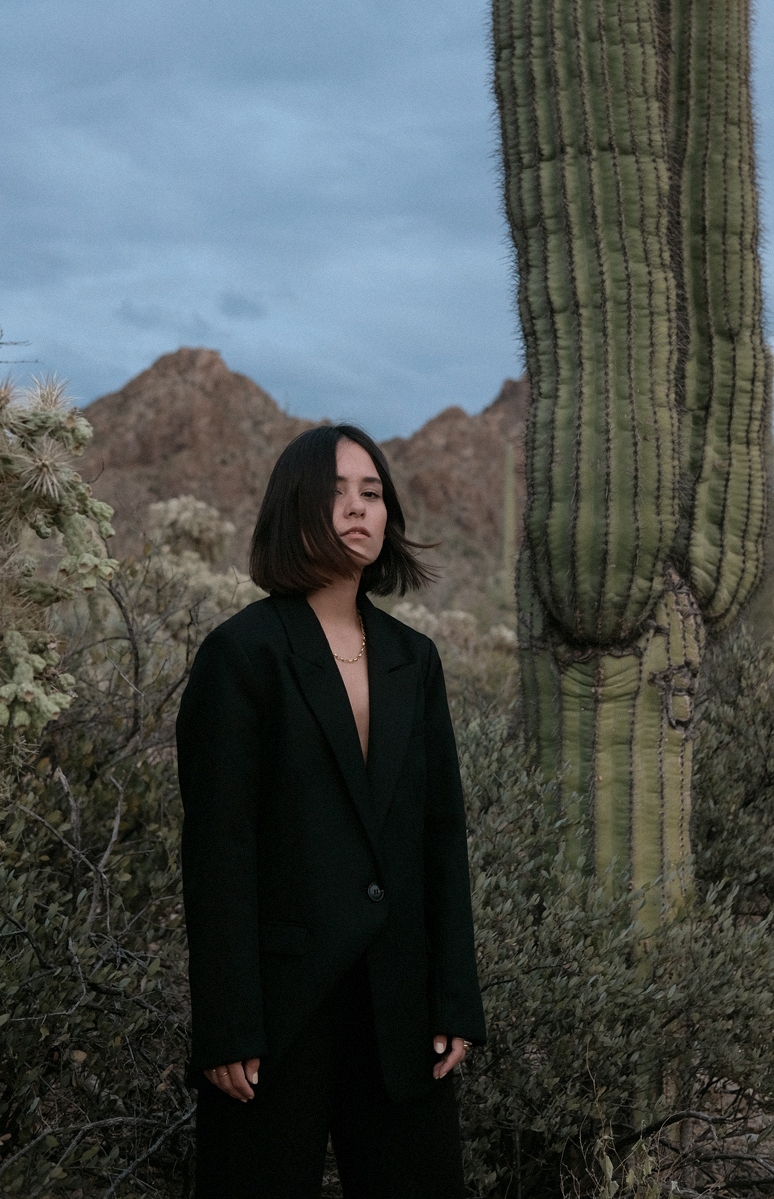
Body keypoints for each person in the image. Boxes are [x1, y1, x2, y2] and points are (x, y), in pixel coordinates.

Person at [176, 424, 486, 1199]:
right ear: (295, 509)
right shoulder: (241, 654)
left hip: (401, 1011)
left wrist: (454, 995)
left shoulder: (415, 660)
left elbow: (441, 838)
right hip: (278, 1017)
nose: (358, 508)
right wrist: (227, 1023)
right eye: (336, 492)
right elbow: (219, 851)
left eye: (372, 492)